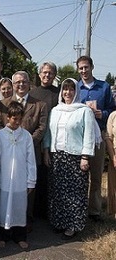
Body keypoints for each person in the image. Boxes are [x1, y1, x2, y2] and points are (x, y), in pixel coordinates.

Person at [43, 78, 101, 239]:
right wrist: (46, 151)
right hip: (57, 156)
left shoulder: (84, 111)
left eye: (71, 89)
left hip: (75, 158)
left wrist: (85, 157)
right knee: (57, 192)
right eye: (65, 89)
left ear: (76, 92)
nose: (68, 92)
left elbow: (89, 135)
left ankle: (72, 225)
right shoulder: (56, 110)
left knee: (74, 193)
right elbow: (48, 132)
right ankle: (58, 222)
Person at [0, 70, 48, 232]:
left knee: (27, 190)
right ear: (13, 84)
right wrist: (10, 140)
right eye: (17, 82)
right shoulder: (3, 103)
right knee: (6, 190)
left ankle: (26, 220)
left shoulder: (40, 104)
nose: (21, 85)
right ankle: (4, 224)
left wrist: (25, 141)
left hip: (29, 151)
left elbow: (42, 127)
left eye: (24, 81)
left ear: (29, 83)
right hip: (6, 154)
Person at [77, 55, 115, 222]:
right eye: (80, 68)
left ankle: (94, 210)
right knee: (79, 175)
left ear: (92, 67)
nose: (84, 71)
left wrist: (103, 113)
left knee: (97, 175)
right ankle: (79, 208)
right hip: (79, 138)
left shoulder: (104, 87)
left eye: (86, 67)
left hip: (98, 136)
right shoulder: (76, 87)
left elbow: (113, 110)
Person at [0, 101, 36, 249]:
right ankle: (3, 236)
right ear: (8, 117)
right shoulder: (0, 135)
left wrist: (31, 181)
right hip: (5, 179)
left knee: (19, 207)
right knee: (4, 207)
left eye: (20, 118)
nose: (17, 121)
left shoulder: (26, 136)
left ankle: (20, 236)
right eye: (14, 118)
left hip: (20, 179)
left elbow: (30, 159)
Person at [29, 61, 60, 219]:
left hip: (53, 140)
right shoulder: (33, 93)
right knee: (36, 177)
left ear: (54, 75)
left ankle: (49, 212)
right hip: (35, 140)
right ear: (39, 74)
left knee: (50, 177)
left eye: (50, 73)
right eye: (44, 72)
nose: (47, 75)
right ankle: (35, 212)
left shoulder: (58, 93)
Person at [105, 111, 116, 217]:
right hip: (115, 154)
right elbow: (108, 137)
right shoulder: (113, 115)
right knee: (113, 185)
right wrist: (113, 156)